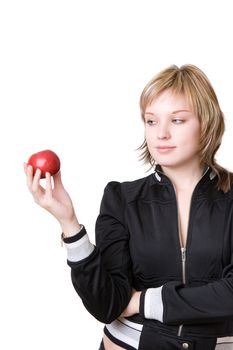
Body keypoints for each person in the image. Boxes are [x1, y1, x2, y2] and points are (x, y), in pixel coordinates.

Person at [24, 64, 233, 350]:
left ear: (206, 123)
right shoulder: (121, 198)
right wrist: (69, 224)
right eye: (151, 121)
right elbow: (107, 305)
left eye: (177, 121)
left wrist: (141, 301)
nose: (161, 134)